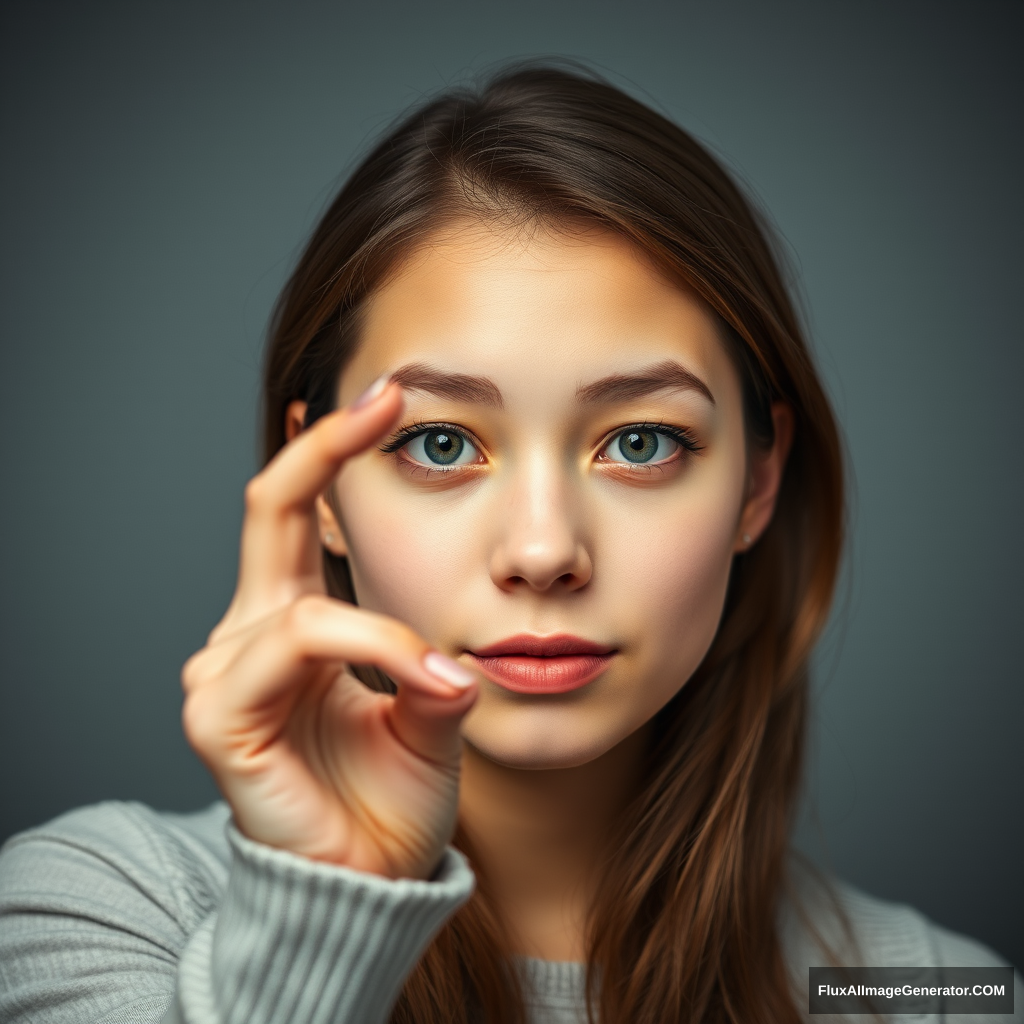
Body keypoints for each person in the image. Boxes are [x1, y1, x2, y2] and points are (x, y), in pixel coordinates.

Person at [0, 64, 1018, 1024]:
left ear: (757, 478)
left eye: (640, 441)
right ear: (316, 485)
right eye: (440, 444)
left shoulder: (931, 994)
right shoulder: (97, 912)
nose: (541, 552)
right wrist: (327, 903)